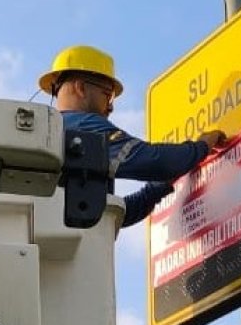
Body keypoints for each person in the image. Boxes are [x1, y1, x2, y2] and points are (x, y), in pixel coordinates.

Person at [39, 45, 225, 227]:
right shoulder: (84, 127)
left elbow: (109, 218)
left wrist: (155, 189)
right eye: (108, 95)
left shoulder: (50, 132)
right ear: (80, 87)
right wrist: (202, 145)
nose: (110, 107)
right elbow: (156, 161)